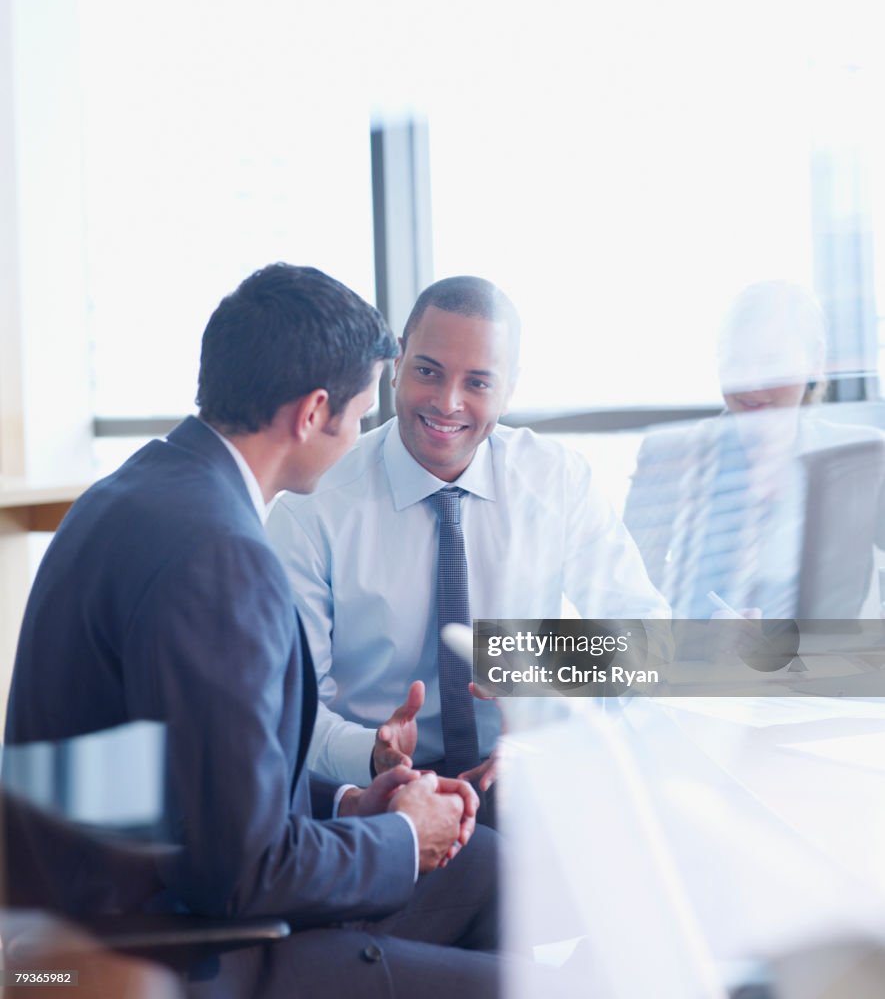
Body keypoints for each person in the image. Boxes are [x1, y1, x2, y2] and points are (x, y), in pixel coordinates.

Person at [4, 264, 500, 998]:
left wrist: (346, 805)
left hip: (132, 891)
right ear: (311, 413)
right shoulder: (221, 556)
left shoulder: (144, 487)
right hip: (171, 942)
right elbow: (242, 872)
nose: (367, 433)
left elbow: (201, 768)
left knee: (493, 869)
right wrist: (399, 836)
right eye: (364, 413)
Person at [266, 275, 668, 821]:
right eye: (428, 371)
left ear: (509, 389)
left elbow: (644, 636)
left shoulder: (556, 481)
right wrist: (374, 756)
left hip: (526, 777)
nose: (447, 403)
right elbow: (294, 709)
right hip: (378, 799)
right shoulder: (311, 507)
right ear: (397, 365)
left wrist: (540, 709)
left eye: (478, 383)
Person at [623, 280, 885, 620]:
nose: (751, 382)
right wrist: (697, 637)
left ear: (815, 361)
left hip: (827, 668)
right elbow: (627, 594)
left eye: (771, 362)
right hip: (703, 667)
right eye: (736, 362)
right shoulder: (671, 454)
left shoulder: (859, 455)